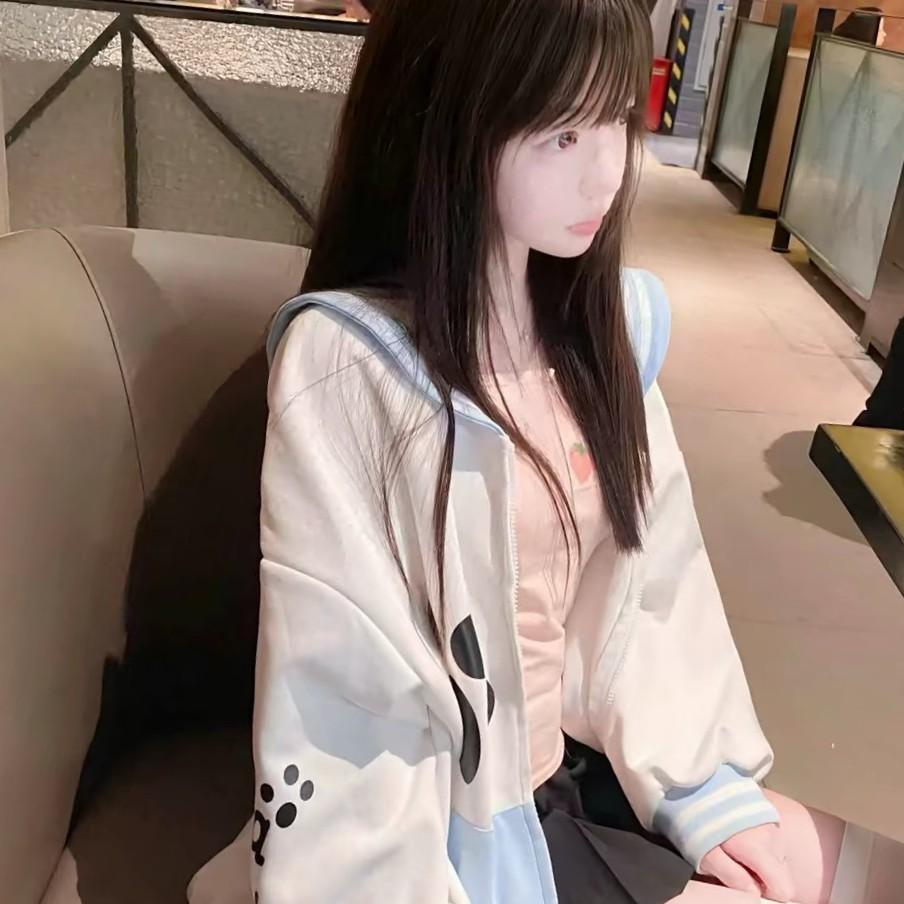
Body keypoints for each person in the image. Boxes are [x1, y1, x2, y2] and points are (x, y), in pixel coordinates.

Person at [189, 1, 853, 901]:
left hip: (588, 771)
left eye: (619, 120)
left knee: (859, 867)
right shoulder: (349, 368)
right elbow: (347, 692)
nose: (607, 175)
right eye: (562, 134)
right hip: (450, 831)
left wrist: (708, 790)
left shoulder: (604, 333)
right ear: (445, 119)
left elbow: (653, 589)